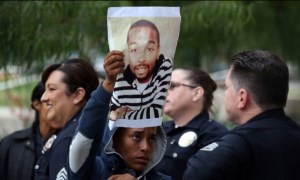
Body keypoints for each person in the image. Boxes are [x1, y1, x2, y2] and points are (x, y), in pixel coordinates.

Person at [183, 50, 300, 179]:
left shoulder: (234, 147)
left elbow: (197, 173)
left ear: (242, 98)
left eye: (226, 87)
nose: (225, 93)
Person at [67, 50, 171, 180]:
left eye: (152, 139)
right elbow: (81, 146)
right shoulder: (95, 173)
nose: (146, 147)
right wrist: (108, 85)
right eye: (136, 136)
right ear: (114, 138)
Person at [155, 67, 227, 180]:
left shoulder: (213, 135)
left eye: (172, 86)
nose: (163, 92)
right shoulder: (159, 129)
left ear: (197, 93)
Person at [34, 58, 99, 180]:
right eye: (45, 90)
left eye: (51, 89)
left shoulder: (70, 138)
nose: (43, 98)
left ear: (78, 95)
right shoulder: (72, 131)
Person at [110, 19, 173, 124]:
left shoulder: (165, 66)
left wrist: (123, 115)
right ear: (128, 52)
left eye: (149, 49)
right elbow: (112, 116)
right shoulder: (121, 79)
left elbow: (155, 112)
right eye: (134, 50)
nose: (141, 58)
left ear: (158, 51)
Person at [0, 81, 56, 180]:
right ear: (37, 104)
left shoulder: (70, 144)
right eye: (51, 104)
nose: (58, 109)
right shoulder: (11, 143)